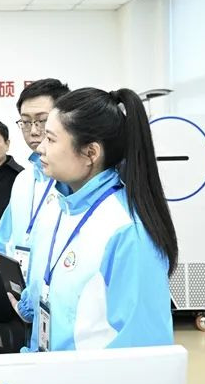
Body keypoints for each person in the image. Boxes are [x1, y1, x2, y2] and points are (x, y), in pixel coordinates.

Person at [15, 88, 178, 352]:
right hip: (48, 369)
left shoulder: (127, 231)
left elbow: (144, 350)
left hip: (89, 377)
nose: (40, 148)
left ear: (91, 153)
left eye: (51, 139)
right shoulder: (60, 205)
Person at [0, 78, 70, 275]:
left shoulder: (72, 180)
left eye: (42, 121)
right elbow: (2, 242)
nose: (33, 131)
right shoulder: (23, 179)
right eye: (26, 122)